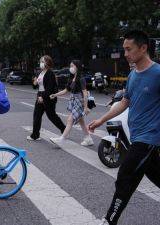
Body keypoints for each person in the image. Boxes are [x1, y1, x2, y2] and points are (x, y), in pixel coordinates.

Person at [89, 30, 160, 225]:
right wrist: (100, 120)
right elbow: (124, 102)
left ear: (143, 48)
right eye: (124, 49)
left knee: (125, 176)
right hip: (136, 136)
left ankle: (110, 220)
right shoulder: (133, 75)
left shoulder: (157, 73)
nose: (125, 54)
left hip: (149, 138)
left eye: (129, 49)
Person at [49, 60, 94, 146]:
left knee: (70, 119)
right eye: (70, 66)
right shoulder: (72, 78)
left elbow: (85, 93)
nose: (71, 68)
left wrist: (85, 107)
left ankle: (61, 139)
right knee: (81, 121)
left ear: (77, 67)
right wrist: (55, 94)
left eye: (72, 66)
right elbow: (66, 90)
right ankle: (88, 138)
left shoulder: (81, 78)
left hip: (79, 101)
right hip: (74, 100)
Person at [27, 55, 66, 141]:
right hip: (40, 95)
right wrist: (34, 82)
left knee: (52, 116)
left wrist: (43, 97)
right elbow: (35, 86)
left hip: (48, 97)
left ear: (47, 62)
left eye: (43, 61)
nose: (41, 63)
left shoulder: (50, 73)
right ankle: (35, 135)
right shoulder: (40, 73)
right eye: (40, 61)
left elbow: (50, 88)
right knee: (37, 115)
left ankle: (64, 129)